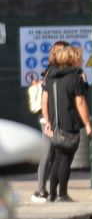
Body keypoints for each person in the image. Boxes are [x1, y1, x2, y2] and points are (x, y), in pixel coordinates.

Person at [40, 42, 92, 203]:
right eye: (79, 58)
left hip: (55, 123)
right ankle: (62, 194)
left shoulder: (51, 76)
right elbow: (80, 103)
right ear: (72, 59)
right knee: (66, 160)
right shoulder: (75, 78)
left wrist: (48, 121)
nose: (81, 60)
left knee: (57, 158)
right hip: (70, 123)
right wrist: (88, 124)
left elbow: (45, 101)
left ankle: (52, 194)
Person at [26, 61, 54, 204]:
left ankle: (45, 190)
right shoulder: (46, 84)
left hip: (55, 120)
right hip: (47, 121)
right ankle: (40, 190)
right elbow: (44, 104)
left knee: (52, 155)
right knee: (47, 154)